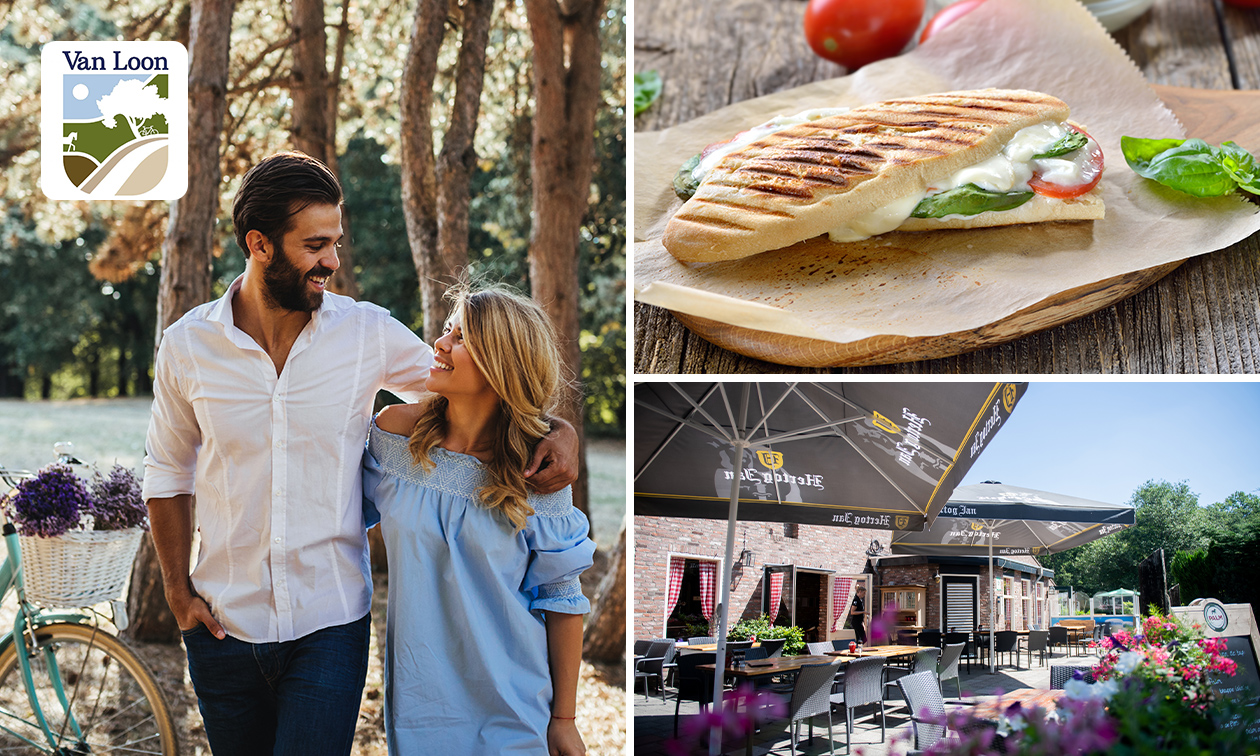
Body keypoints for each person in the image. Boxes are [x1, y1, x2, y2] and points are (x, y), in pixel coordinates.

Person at [142, 152, 579, 756]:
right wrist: (176, 591)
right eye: (316, 244)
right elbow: (167, 472)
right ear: (260, 244)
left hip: (331, 624)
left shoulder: (367, 333)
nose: (333, 261)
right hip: (223, 622)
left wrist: (559, 429)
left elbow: (488, 380)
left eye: (336, 241)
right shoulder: (188, 346)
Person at [364, 284, 594, 756]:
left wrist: (564, 719)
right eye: (448, 330)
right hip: (420, 702)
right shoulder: (391, 436)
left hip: (514, 704)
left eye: (461, 337)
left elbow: (562, 599)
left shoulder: (539, 472)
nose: (440, 344)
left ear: (500, 362)